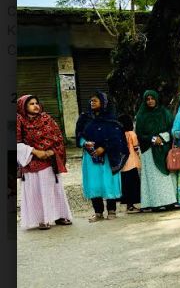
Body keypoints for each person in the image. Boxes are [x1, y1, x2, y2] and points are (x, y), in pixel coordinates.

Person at [16, 95, 73, 230]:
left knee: (53, 189)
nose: (36, 106)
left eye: (37, 103)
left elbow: (58, 138)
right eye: (31, 104)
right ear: (23, 107)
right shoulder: (19, 121)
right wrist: (34, 151)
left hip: (49, 161)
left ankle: (59, 215)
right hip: (30, 161)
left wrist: (52, 152)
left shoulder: (46, 118)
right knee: (36, 191)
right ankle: (42, 219)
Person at [75, 90, 127, 222]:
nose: (92, 102)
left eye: (95, 100)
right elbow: (79, 134)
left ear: (104, 103)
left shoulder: (111, 120)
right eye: (91, 100)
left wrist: (103, 147)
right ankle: (98, 213)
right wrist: (85, 143)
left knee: (108, 182)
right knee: (94, 183)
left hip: (108, 157)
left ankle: (111, 210)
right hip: (90, 156)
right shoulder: (85, 118)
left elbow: (117, 138)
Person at [135, 90, 177, 212]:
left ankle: (169, 201)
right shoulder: (141, 115)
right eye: (147, 99)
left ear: (156, 99)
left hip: (164, 148)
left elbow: (172, 128)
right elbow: (140, 134)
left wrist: (162, 137)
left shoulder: (165, 112)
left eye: (152, 98)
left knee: (166, 177)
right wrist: (153, 139)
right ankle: (155, 202)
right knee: (153, 177)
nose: (150, 101)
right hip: (149, 150)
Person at [118, 114, 141, 212]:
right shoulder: (132, 134)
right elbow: (136, 147)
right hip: (132, 162)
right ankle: (131, 206)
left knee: (126, 185)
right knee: (133, 184)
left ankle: (128, 205)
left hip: (123, 164)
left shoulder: (119, 134)